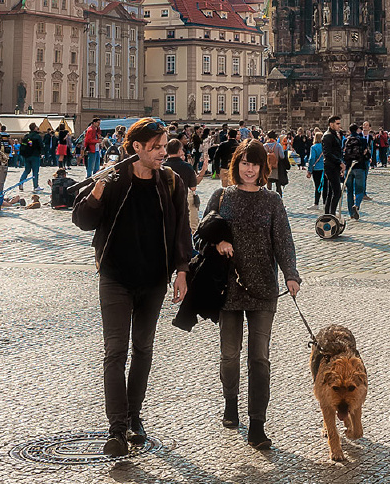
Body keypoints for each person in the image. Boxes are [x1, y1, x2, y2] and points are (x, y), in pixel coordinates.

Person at [72, 117, 191, 457]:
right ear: (136, 147)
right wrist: (96, 189)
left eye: (164, 145)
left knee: (143, 349)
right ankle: (117, 428)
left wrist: (182, 271)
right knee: (115, 352)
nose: (162, 152)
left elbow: (182, 229)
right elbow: (83, 221)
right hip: (115, 277)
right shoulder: (113, 180)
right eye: (155, 147)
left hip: (154, 280)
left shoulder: (170, 182)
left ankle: (135, 418)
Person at [202, 139, 301, 450]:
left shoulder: (272, 201)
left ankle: (257, 422)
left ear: (262, 168)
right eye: (244, 162)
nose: (249, 168)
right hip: (229, 286)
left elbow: (283, 240)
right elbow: (200, 233)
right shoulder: (222, 197)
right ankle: (230, 402)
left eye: (254, 163)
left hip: (262, 288)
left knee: (259, 357)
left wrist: (291, 274)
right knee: (230, 354)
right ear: (237, 165)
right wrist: (217, 243)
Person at [343, 123, 369, 220]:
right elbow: (367, 154)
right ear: (358, 129)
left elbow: (344, 153)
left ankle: (351, 214)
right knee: (360, 190)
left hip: (349, 167)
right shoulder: (362, 140)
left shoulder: (346, 140)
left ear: (349, 131)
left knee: (349, 191)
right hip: (359, 167)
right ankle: (357, 205)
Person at [321, 117, 344, 216]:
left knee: (331, 192)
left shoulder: (334, 135)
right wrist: (339, 162)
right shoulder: (328, 136)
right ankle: (332, 213)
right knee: (337, 192)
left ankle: (328, 213)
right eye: (337, 124)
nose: (339, 126)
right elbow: (328, 153)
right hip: (331, 166)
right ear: (331, 124)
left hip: (334, 166)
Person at [17, 122, 44, 192]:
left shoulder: (26, 136)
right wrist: (42, 153)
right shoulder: (37, 136)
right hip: (35, 155)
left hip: (27, 156)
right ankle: (35, 186)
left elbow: (23, 145)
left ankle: (21, 182)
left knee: (27, 170)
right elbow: (41, 145)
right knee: (35, 171)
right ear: (35, 128)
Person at [307, 129, 324, 208]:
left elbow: (312, 159)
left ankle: (316, 203)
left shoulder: (314, 147)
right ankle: (325, 203)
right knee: (325, 186)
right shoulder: (325, 147)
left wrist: (309, 170)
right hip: (324, 168)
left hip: (316, 169)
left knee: (317, 186)